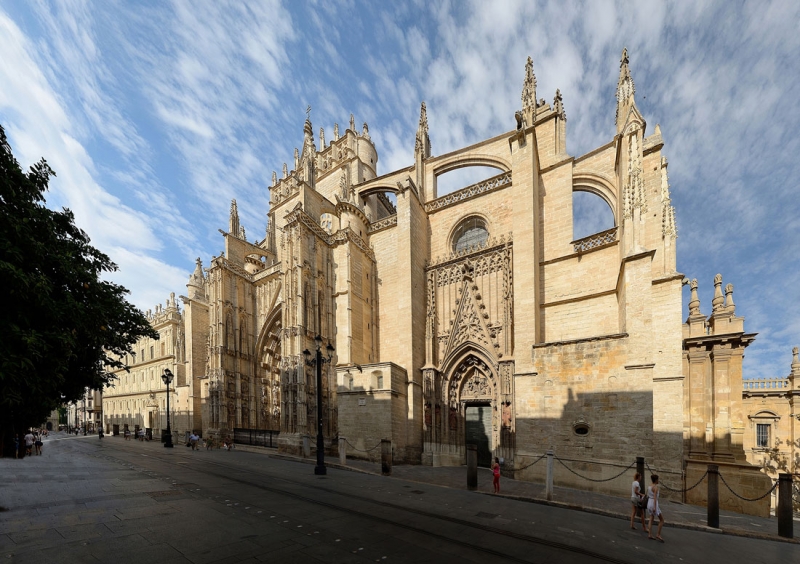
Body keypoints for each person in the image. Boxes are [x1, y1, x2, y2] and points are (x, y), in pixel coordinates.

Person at [647, 474, 665, 542]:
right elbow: (655, 498)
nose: (658, 481)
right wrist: (655, 507)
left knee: (651, 518)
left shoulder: (649, 486)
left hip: (649, 502)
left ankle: (650, 534)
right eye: (658, 479)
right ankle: (658, 534)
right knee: (662, 520)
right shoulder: (655, 487)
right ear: (656, 480)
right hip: (654, 503)